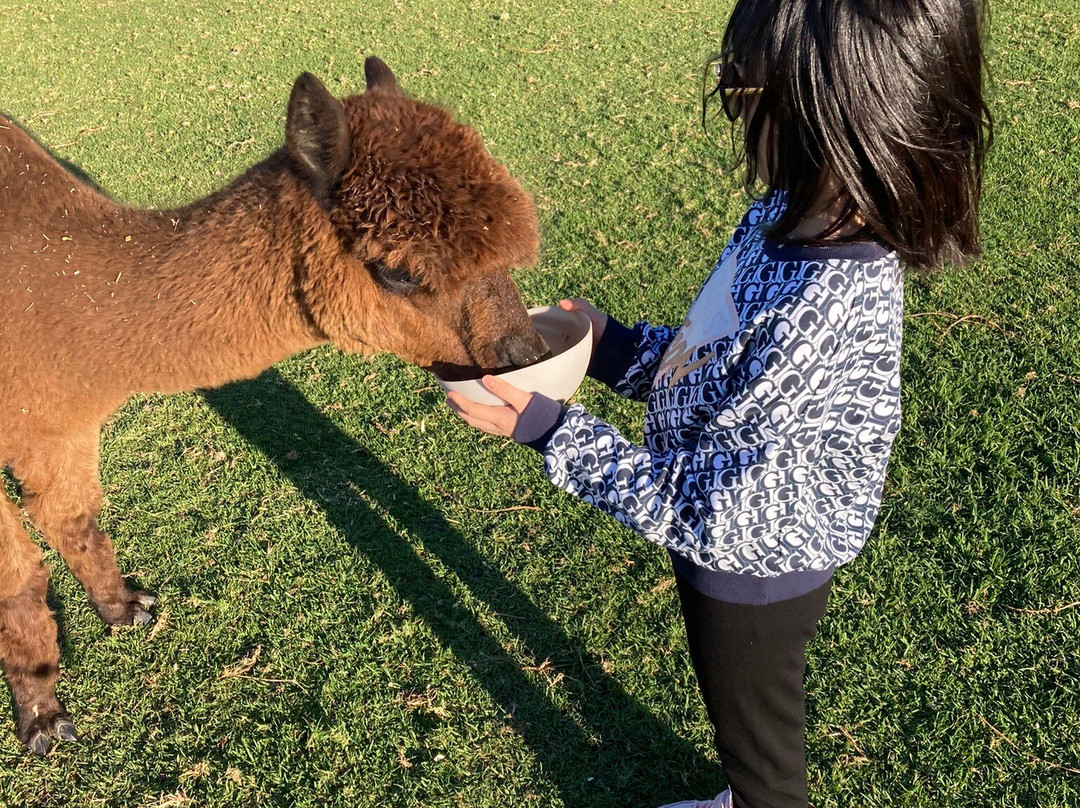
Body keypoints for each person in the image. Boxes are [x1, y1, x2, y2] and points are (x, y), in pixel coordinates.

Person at [447, 0, 992, 805]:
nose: (730, 105)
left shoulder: (827, 298)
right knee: (734, 709)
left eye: (741, 89)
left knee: (756, 738)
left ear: (830, 109)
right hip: (722, 520)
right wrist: (612, 345)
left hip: (755, 560)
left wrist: (550, 431)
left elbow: (711, 508)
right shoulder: (789, 211)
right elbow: (716, 360)